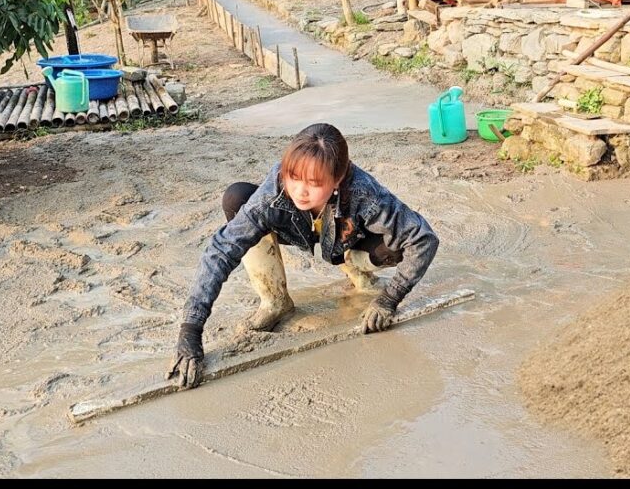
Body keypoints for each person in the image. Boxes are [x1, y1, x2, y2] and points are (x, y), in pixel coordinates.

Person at [167, 122, 440, 389]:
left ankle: (358, 271)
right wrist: (191, 328)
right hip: (302, 230)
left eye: (314, 183)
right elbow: (222, 249)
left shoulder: (364, 192)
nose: (300, 190)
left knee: (396, 245)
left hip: (351, 238)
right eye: (293, 177)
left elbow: (423, 238)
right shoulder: (275, 191)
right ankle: (275, 302)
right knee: (236, 197)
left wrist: (390, 298)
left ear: (338, 179)